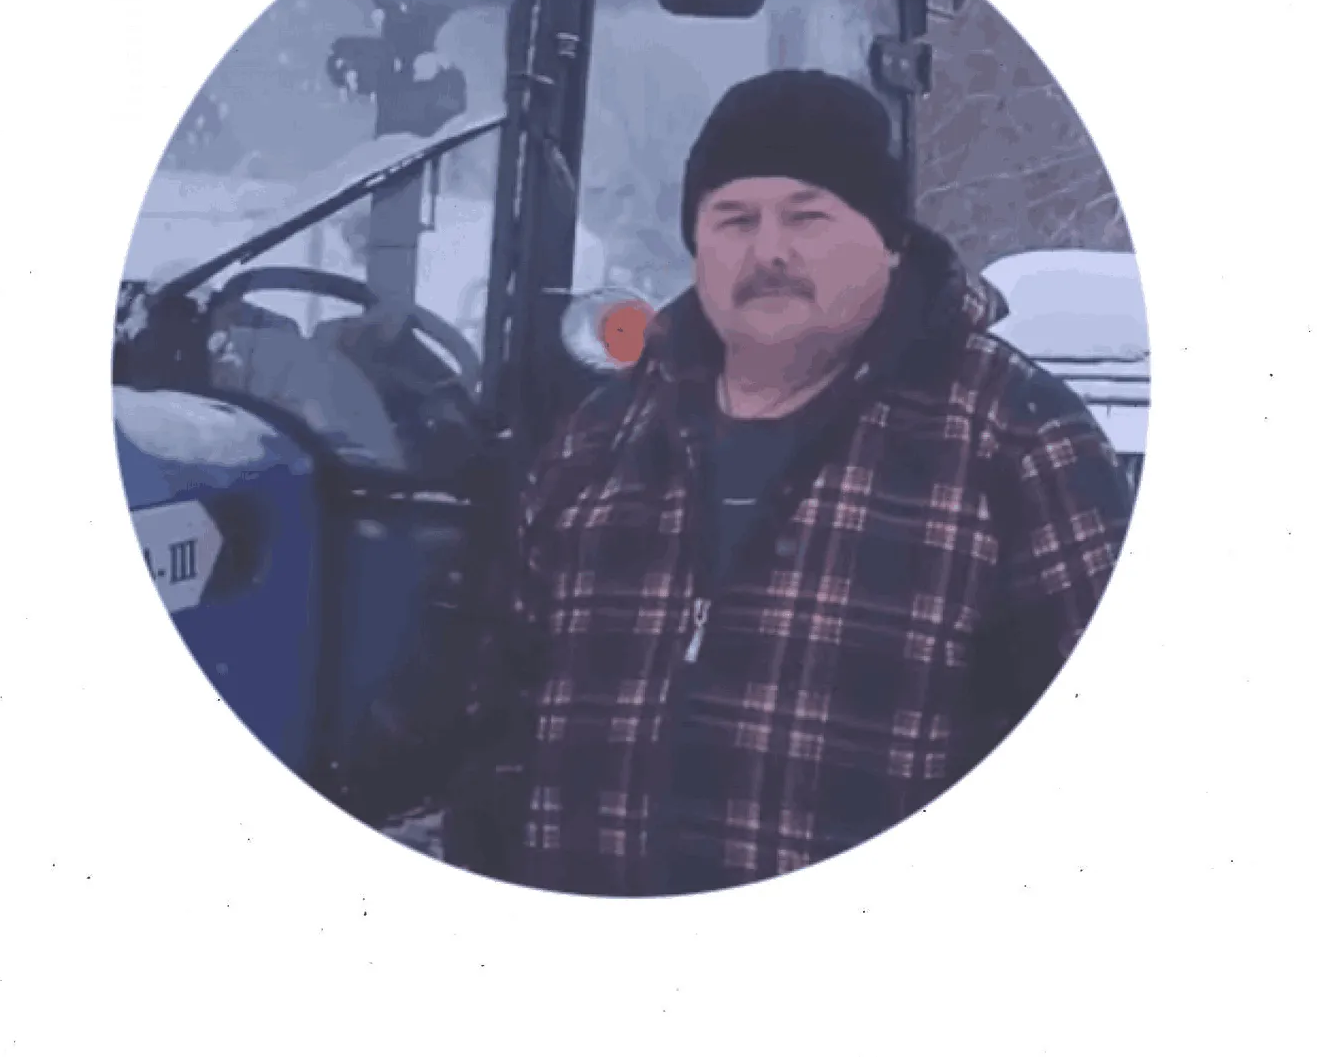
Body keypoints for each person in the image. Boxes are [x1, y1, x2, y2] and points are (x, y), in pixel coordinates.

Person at [442, 68, 1136, 897]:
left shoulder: (1014, 437)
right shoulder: (603, 436)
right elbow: (503, 704)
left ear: (889, 239)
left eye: (807, 216)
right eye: (733, 219)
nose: (768, 251)